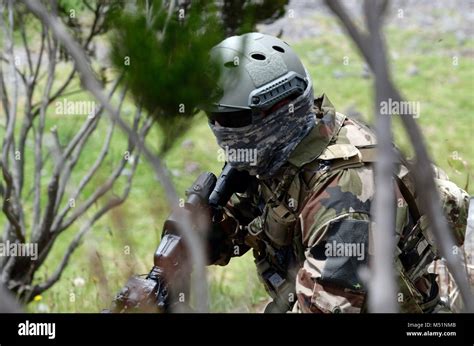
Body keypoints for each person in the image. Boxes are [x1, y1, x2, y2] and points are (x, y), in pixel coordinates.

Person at [200, 32, 470, 313]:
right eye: (214, 118)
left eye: (228, 119)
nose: (218, 128)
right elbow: (243, 220)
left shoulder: (344, 201)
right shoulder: (290, 146)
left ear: (272, 116)